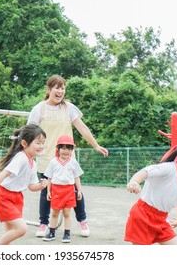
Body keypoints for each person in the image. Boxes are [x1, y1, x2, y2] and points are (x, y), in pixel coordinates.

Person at [27, 74, 108, 238]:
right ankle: (43, 224)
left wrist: (96, 145)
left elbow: (82, 128)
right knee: (46, 191)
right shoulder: (39, 109)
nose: (60, 91)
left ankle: (82, 221)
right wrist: (26, 154)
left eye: (62, 88)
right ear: (49, 89)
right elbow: (29, 133)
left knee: (75, 189)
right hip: (46, 158)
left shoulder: (69, 108)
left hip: (67, 158)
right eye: (57, 87)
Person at [0, 124, 49, 245]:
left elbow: (31, 186)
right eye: (38, 143)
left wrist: (41, 185)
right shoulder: (21, 158)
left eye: (43, 143)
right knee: (22, 229)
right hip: (4, 198)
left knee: (10, 235)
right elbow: (3, 174)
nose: (41, 146)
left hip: (17, 198)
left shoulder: (33, 163)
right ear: (24, 143)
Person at [42, 135, 83, 243]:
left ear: (72, 150)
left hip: (69, 190)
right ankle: (51, 233)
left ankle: (67, 233)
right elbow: (49, 178)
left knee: (67, 213)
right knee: (55, 213)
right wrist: (48, 192)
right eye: (63, 148)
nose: (66, 151)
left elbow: (77, 177)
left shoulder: (73, 162)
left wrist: (79, 190)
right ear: (58, 148)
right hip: (56, 190)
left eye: (69, 148)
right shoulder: (53, 162)